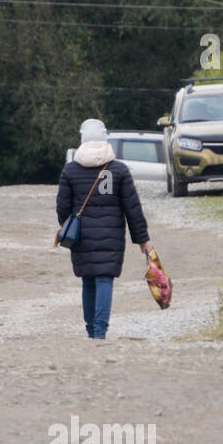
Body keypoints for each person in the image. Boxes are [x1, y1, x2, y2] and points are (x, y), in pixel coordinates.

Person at [55, 118, 151, 339]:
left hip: (82, 237)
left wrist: (68, 226)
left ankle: (90, 331)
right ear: (105, 138)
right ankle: (100, 331)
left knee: (88, 280)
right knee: (105, 279)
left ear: (82, 139)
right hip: (111, 236)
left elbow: (62, 208)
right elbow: (132, 208)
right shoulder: (119, 170)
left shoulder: (70, 170)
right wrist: (142, 239)